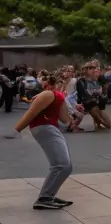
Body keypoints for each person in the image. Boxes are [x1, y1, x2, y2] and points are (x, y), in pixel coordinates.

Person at [5, 71, 74, 210]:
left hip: (51, 128)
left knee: (63, 165)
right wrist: (16, 130)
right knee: (62, 165)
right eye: (63, 82)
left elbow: (66, 120)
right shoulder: (48, 94)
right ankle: (45, 198)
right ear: (56, 83)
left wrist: (75, 114)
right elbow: (31, 113)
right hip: (45, 128)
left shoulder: (58, 96)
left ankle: (48, 196)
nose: (65, 85)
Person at [76, 61, 111, 131]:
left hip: (98, 103)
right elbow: (84, 95)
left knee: (108, 125)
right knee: (99, 117)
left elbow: (105, 92)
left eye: (94, 68)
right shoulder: (81, 81)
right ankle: (98, 122)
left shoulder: (99, 79)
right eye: (90, 68)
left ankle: (98, 123)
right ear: (85, 70)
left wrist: (102, 96)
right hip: (88, 103)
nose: (93, 70)